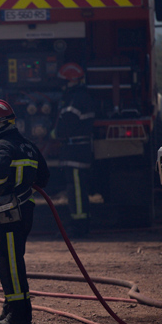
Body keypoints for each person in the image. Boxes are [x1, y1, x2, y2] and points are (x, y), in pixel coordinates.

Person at [0, 99, 50, 324]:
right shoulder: (28, 146)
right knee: (9, 261)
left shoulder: (2, 147)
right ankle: (10, 307)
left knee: (10, 263)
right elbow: (44, 178)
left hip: (8, 213)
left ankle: (20, 314)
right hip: (24, 212)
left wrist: (2, 190)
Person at [52, 62, 96, 236]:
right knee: (75, 187)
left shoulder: (76, 100)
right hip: (76, 150)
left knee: (76, 188)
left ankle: (79, 225)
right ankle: (80, 222)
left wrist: (54, 133)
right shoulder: (79, 97)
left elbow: (66, 126)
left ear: (70, 81)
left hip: (75, 151)